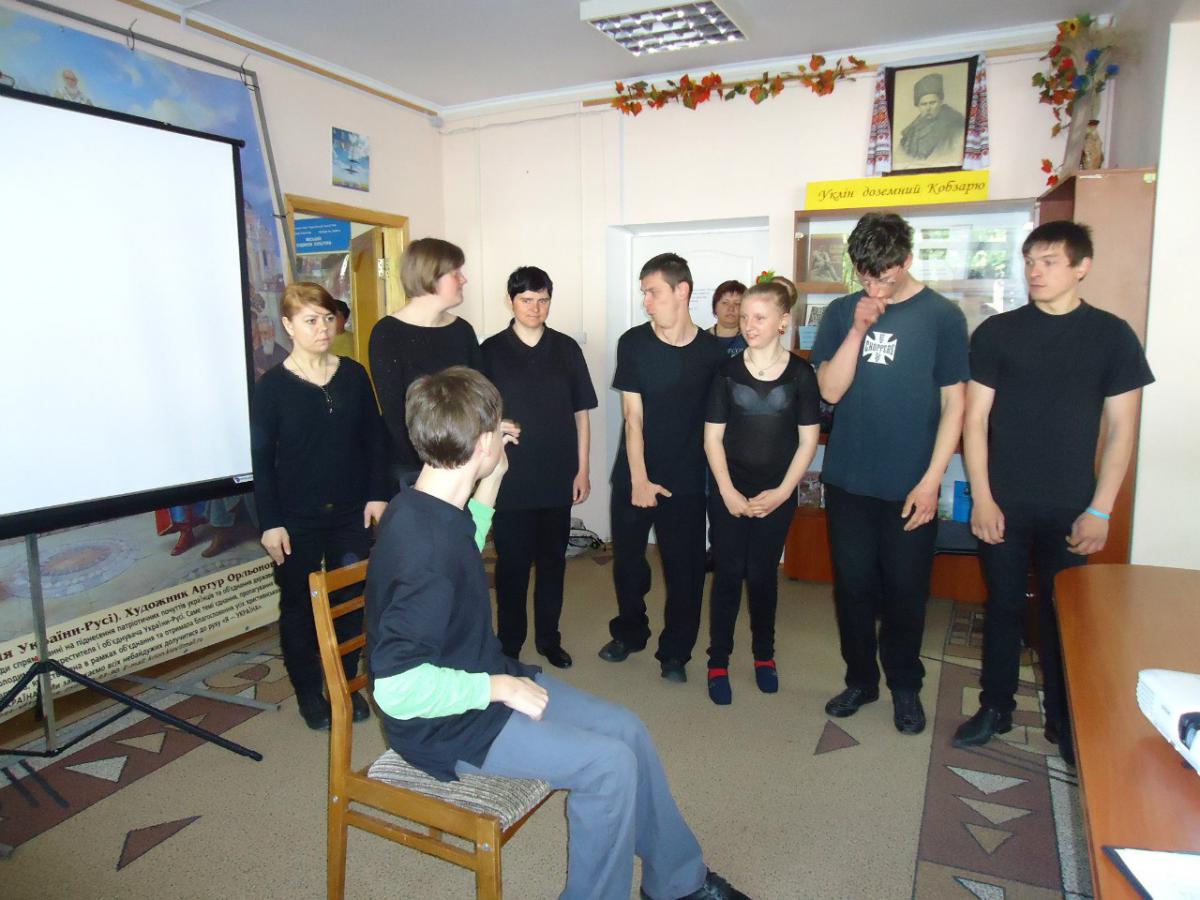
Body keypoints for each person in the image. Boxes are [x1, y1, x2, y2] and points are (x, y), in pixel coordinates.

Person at [365, 367, 750, 900]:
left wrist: (493, 474)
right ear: (481, 442)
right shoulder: (423, 551)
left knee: (627, 730)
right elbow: (397, 689)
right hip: (448, 727)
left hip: (480, 679)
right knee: (609, 767)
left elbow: (463, 544)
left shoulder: (422, 501)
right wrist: (497, 687)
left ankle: (678, 881)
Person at [952, 221, 1153, 764]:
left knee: (1065, 616)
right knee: (1002, 607)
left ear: (1081, 267)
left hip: (1073, 506)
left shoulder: (1112, 336)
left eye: (1049, 262)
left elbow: (1122, 431)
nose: (1035, 272)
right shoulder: (997, 332)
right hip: (1004, 503)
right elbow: (975, 421)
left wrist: (1101, 509)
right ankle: (995, 707)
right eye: (1029, 262)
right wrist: (983, 497)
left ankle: (1065, 720)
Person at [810, 212, 968, 734]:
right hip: (850, 479)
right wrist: (858, 328)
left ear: (906, 261)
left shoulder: (942, 316)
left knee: (905, 590)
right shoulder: (841, 312)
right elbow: (830, 390)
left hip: (911, 483)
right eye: (865, 276)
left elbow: (955, 404)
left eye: (884, 276)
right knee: (853, 588)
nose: (874, 287)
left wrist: (932, 479)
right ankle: (860, 680)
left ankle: (904, 685)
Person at [251, 281, 390, 730]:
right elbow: (262, 461)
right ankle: (309, 691)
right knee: (298, 606)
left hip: (351, 512)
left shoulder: (353, 375)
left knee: (350, 599)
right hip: (296, 520)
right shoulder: (271, 387)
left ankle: (343, 685)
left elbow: (375, 439)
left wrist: (378, 493)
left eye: (328, 318)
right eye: (311, 320)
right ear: (288, 325)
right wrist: (271, 522)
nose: (323, 328)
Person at [599, 253, 727, 683]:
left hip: (686, 481)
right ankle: (630, 632)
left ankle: (675, 652)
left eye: (653, 292)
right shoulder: (633, 343)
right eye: (644, 294)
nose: (646, 302)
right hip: (634, 475)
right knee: (629, 566)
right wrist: (639, 479)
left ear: (682, 290)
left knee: (685, 572)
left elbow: (716, 427)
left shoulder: (712, 354)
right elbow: (632, 417)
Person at [703, 281, 820, 705]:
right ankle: (718, 660)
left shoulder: (802, 375)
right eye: (745, 317)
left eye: (759, 317)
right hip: (729, 490)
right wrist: (728, 491)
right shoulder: (726, 373)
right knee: (729, 572)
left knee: (762, 574)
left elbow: (807, 441)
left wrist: (783, 492)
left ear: (783, 321)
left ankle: (764, 655)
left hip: (777, 493)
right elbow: (712, 438)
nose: (748, 325)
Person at [481, 266, 598, 669]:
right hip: (509, 479)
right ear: (510, 301)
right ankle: (509, 645)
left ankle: (550, 638)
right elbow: (478, 415)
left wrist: (582, 470)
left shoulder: (566, 349)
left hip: (557, 476)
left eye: (543, 300)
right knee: (511, 567)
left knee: (553, 565)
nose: (535, 308)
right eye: (527, 300)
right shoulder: (489, 351)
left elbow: (582, 414)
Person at [369, 237, 482, 487]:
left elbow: (477, 399)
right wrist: (434, 465)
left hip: (461, 461)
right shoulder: (387, 333)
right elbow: (395, 414)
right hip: (411, 468)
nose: (463, 279)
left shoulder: (462, 330)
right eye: (455, 273)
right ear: (431, 275)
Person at [899, 72, 966, 162]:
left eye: (932, 103)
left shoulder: (954, 126)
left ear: (940, 102)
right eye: (923, 104)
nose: (928, 108)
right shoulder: (911, 131)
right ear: (918, 106)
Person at [707, 280, 747, 356]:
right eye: (725, 303)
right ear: (715, 307)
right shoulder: (701, 339)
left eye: (737, 303)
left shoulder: (751, 339)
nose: (731, 308)